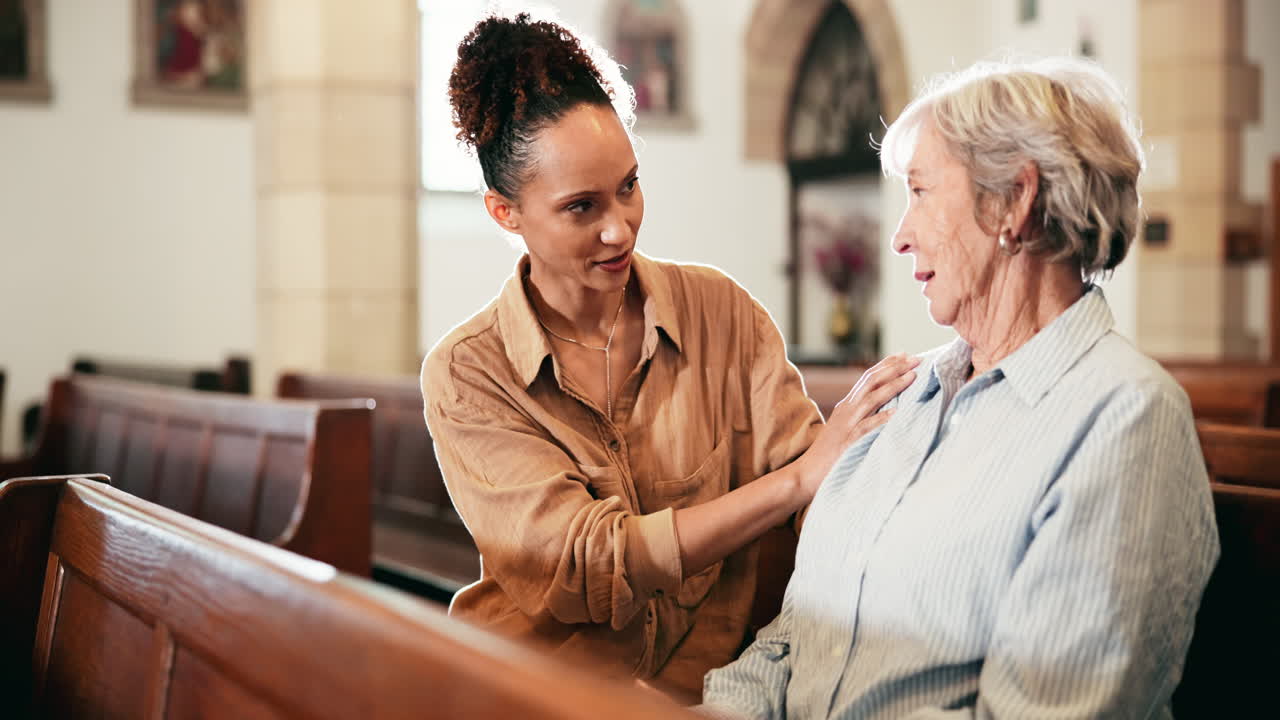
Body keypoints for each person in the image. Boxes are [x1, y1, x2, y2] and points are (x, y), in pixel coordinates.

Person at [702, 57, 1220, 719]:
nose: (898, 235)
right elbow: (796, 642)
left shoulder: (1126, 418)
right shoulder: (901, 396)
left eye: (919, 191)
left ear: (1014, 200)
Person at [420, 12, 916, 698]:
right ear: (506, 213)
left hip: (714, 696)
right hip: (536, 696)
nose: (618, 228)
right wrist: (794, 484)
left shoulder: (723, 314)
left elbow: (822, 484)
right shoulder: (469, 373)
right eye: (581, 207)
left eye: (628, 186)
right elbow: (585, 564)